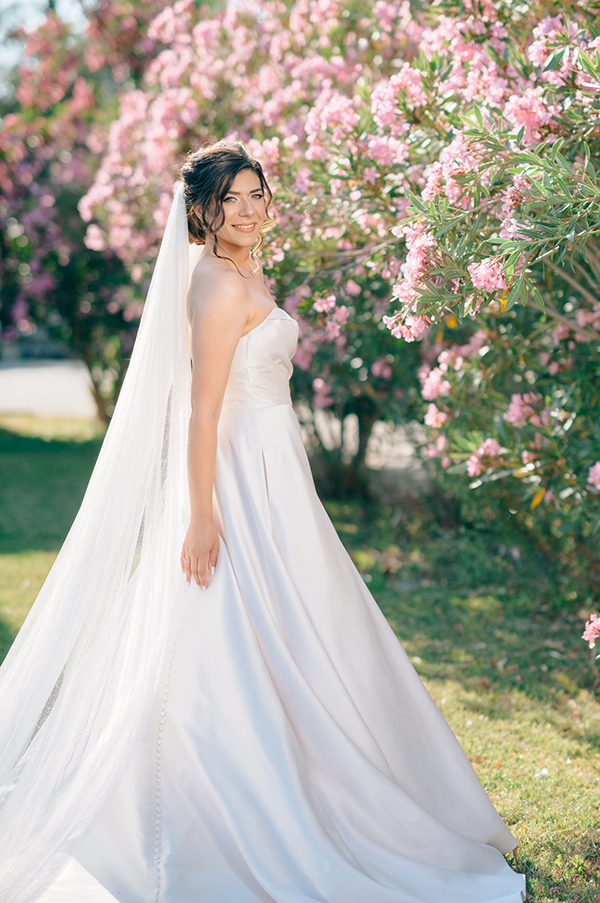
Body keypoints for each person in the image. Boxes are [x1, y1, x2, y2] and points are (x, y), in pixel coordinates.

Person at [0, 142, 526, 903]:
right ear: (201, 212)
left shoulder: (246, 271)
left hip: (276, 473)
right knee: (226, 635)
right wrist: (203, 516)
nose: (247, 210)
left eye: (256, 194)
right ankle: (203, 807)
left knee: (304, 629)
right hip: (239, 477)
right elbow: (203, 410)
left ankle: (321, 778)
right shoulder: (214, 286)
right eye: (230, 200)